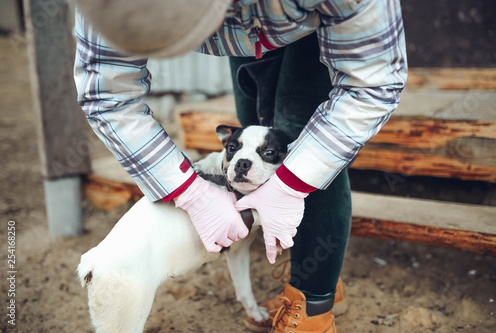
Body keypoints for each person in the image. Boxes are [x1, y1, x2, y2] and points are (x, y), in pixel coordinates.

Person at [73, 0, 407, 332]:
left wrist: (291, 183)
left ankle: (314, 300)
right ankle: (314, 279)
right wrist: (191, 193)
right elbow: (105, 96)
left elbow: (374, 84)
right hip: (237, 35)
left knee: (303, 142)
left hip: (311, 25)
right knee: (253, 129)